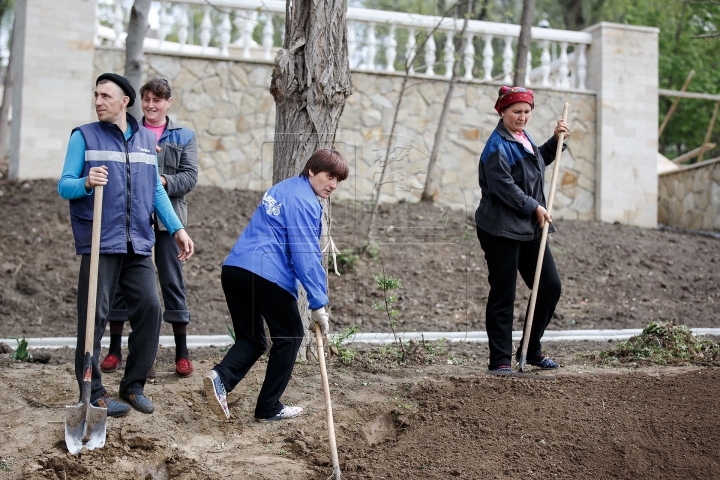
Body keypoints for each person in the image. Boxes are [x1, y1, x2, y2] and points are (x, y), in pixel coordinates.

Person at [58, 73, 195, 417]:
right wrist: (86, 182)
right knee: (94, 317)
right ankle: (93, 392)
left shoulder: (147, 140)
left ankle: (133, 386)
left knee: (150, 308)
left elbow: (156, 190)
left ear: (124, 102)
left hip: (138, 242)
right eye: (96, 95)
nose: (98, 101)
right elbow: (64, 185)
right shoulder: (83, 136)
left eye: (106, 95)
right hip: (101, 242)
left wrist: (177, 228)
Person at [203, 149, 349, 422]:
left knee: (253, 339)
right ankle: (268, 408)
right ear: (311, 171)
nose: (333, 185)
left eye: (338, 180)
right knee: (291, 335)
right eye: (329, 176)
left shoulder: (282, 189)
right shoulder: (305, 201)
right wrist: (318, 302)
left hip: (235, 269)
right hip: (266, 274)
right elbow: (305, 252)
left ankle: (220, 377)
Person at [99, 78, 199, 378]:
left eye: (158, 100)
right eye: (147, 99)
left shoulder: (183, 136)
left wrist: (159, 181)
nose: (151, 105)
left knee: (171, 280)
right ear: (138, 101)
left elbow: (190, 177)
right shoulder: (130, 132)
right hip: (136, 218)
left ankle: (182, 353)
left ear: (169, 102)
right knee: (122, 280)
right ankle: (115, 349)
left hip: (169, 219)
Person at [475, 86, 569, 374]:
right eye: (516, 111)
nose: (522, 117)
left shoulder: (521, 137)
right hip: (501, 230)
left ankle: (531, 348)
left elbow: (535, 162)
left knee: (549, 287)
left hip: (528, 227)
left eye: (527, 112)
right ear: (502, 111)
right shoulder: (496, 147)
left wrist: (555, 141)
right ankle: (500, 360)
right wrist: (535, 207)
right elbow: (505, 188)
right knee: (504, 294)